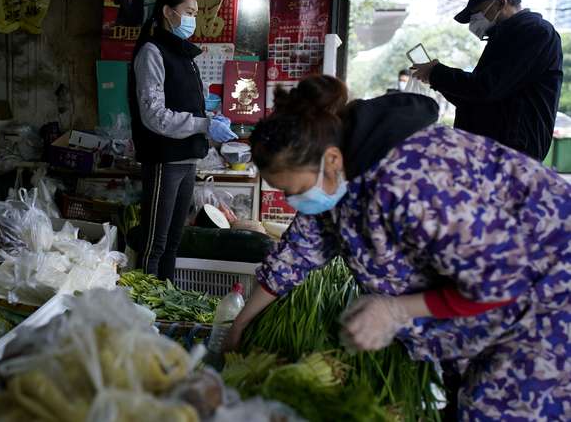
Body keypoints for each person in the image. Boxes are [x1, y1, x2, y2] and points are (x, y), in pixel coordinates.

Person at [224, 75, 570, 420]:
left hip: (549, 299)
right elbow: (298, 252)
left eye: (293, 189)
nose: (293, 201)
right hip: (487, 303)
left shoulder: (415, 178)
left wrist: (395, 310)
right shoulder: (341, 175)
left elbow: (501, 278)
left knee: (499, 409)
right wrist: (240, 324)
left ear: (330, 160)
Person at [128, 0, 237, 280]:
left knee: (174, 241)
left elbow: (191, 104)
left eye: (195, 13)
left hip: (188, 157)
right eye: (189, 12)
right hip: (165, 158)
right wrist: (203, 124)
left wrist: (213, 117)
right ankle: (143, 308)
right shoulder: (152, 52)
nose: (192, 20)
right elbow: (154, 115)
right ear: (167, 12)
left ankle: (164, 299)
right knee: (155, 243)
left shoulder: (185, 56)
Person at [412, 0, 563, 160]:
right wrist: (435, 78)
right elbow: (475, 99)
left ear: (501, 2)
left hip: (512, 154)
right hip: (492, 150)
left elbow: (487, 87)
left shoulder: (535, 32)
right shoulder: (504, 38)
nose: (474, 22)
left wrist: (437, 73)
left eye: (478, 13)